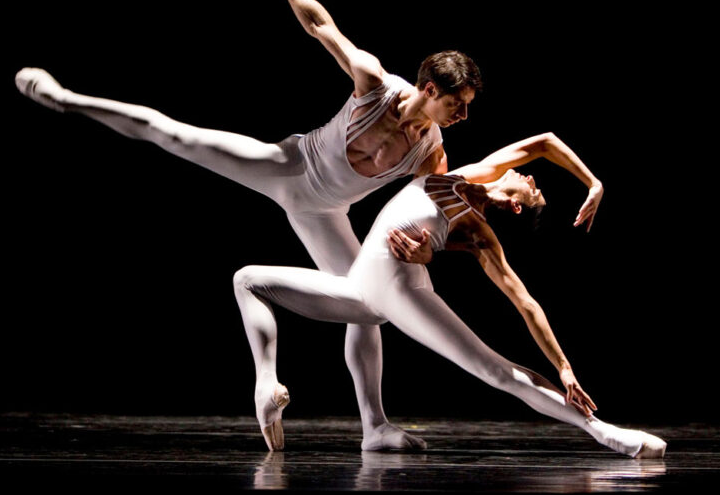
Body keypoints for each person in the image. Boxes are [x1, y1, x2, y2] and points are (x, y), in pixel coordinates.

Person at [14, 0, 482, 451]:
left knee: (367, 304)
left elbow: (442, 208)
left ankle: (374, 429)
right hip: (287, 167)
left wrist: (437, 247)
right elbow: (320, 24)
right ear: (428, 88)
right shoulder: (373, 84)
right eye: (456, 105)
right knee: (172, 134)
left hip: (322, 213)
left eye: (466, 109)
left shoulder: (430, 152)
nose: (461, 116)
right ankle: (66, 99)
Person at [232, 134, 666, 458]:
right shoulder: (465, 176)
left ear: (515, 207)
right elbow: (544, 143)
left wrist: (565, 367)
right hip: (362, 288)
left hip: (402, 289)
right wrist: (593, 182)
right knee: (248, 279)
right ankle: (286, 395)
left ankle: (606, 433)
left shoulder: (480, 235)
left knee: (495, 371)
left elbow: (526, 304)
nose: (531, 178)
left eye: (536, 190)